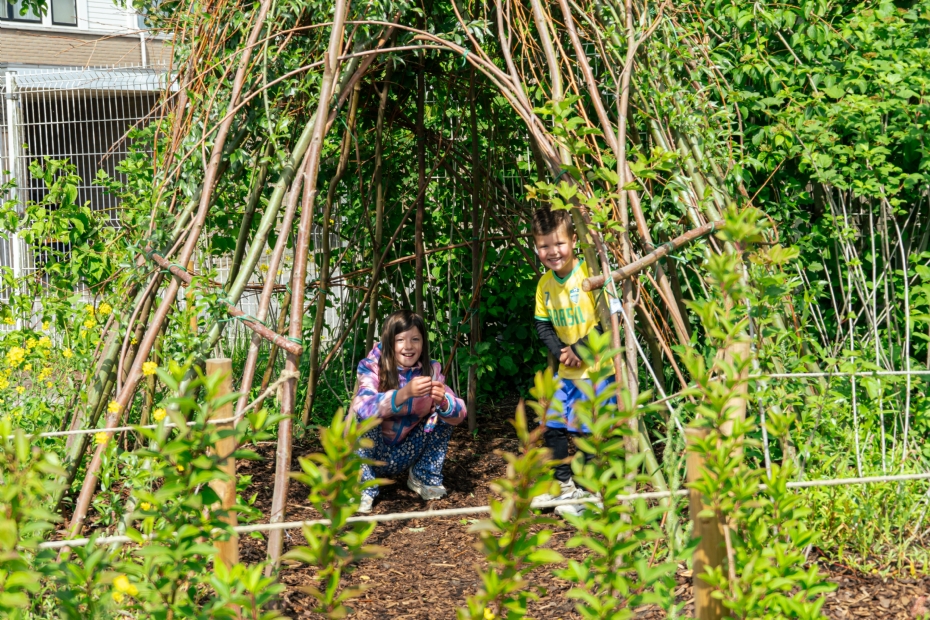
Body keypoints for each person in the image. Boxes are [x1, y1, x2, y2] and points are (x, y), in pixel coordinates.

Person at [532, 207, 616, 517]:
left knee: (583, 431)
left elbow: (607, 322)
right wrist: (563, 351)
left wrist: (579, 349)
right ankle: (562, 487)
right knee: (553, 427)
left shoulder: (589, 275)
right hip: (566, 371)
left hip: (595, 370)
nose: (552, 252)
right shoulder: (544, 285)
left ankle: (588, 492)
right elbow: (542, 325)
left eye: (559, 244)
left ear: (573, 241)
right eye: (544, 246)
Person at [351, 309, 467, 513]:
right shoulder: (371, 367)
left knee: (443, 413)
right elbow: (364, 406)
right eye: (400, 340)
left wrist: (444, 402)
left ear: (423, 344)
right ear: (388, 343)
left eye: (415, 339)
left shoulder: (430, 371)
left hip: (406, 451)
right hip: (372, 452)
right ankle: (362, 487)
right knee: (359, 419)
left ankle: (423, 475)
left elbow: (459, 414)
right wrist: (402, 394)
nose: (408, 346)